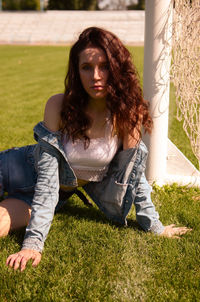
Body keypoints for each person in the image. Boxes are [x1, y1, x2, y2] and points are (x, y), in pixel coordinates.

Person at [0, 27, 191, 272]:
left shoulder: (127, 115)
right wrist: (33, 243)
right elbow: (48, 180)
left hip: (36, 198)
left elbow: (135, 177)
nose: (96, 76)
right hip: (15, 168)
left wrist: (154, 225)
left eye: (104, 66)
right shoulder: (58, 105)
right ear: (76, 71)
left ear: (117, 68)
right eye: (86, 67)